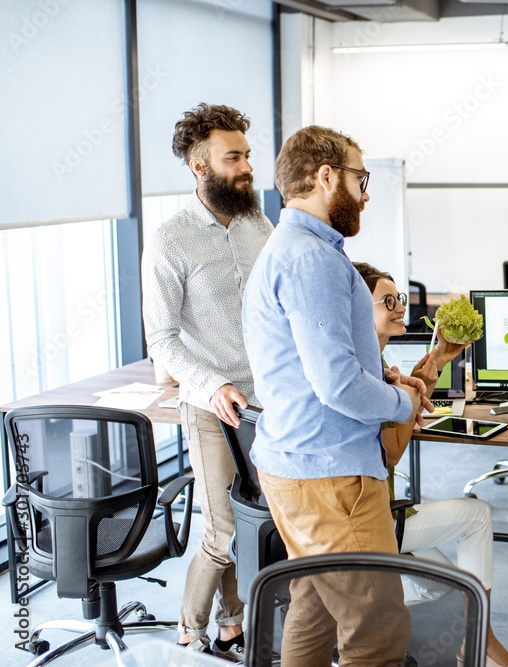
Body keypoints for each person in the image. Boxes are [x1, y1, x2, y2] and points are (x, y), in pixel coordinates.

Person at [242, 126, 433, 667]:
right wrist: (404, 405)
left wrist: (383, 379)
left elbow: (323, 367)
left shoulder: (290, 249)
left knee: (314, 606)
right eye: (360, 178)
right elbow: (337, 386)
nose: (367, 193)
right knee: (377, 630)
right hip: (329, 475)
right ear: (326, 178)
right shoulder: (312, 259)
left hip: (295, 465)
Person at [353, 261, 508, 667]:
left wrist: (431, 366)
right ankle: (482, 648)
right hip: (368, 522)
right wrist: (410, 393)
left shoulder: (374, 367)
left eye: (398, 298)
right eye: (387, 301)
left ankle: (473, 642)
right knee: (475, 515)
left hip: (373, 513)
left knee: (449, 588)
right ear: (354, 306)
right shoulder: (367, 375)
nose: (400, 307)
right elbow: (392, 453)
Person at [142, 103, 273, 661]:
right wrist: (213, 385)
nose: (247, 167)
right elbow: (162, 338)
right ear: (200, 168)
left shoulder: (255, 220)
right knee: (222, 534)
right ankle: (189, 631)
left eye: (247, 155)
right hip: (210, 405)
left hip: (268, 401)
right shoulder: (171, 240)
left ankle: (232, 624)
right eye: (235, 157)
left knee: (253, 521)